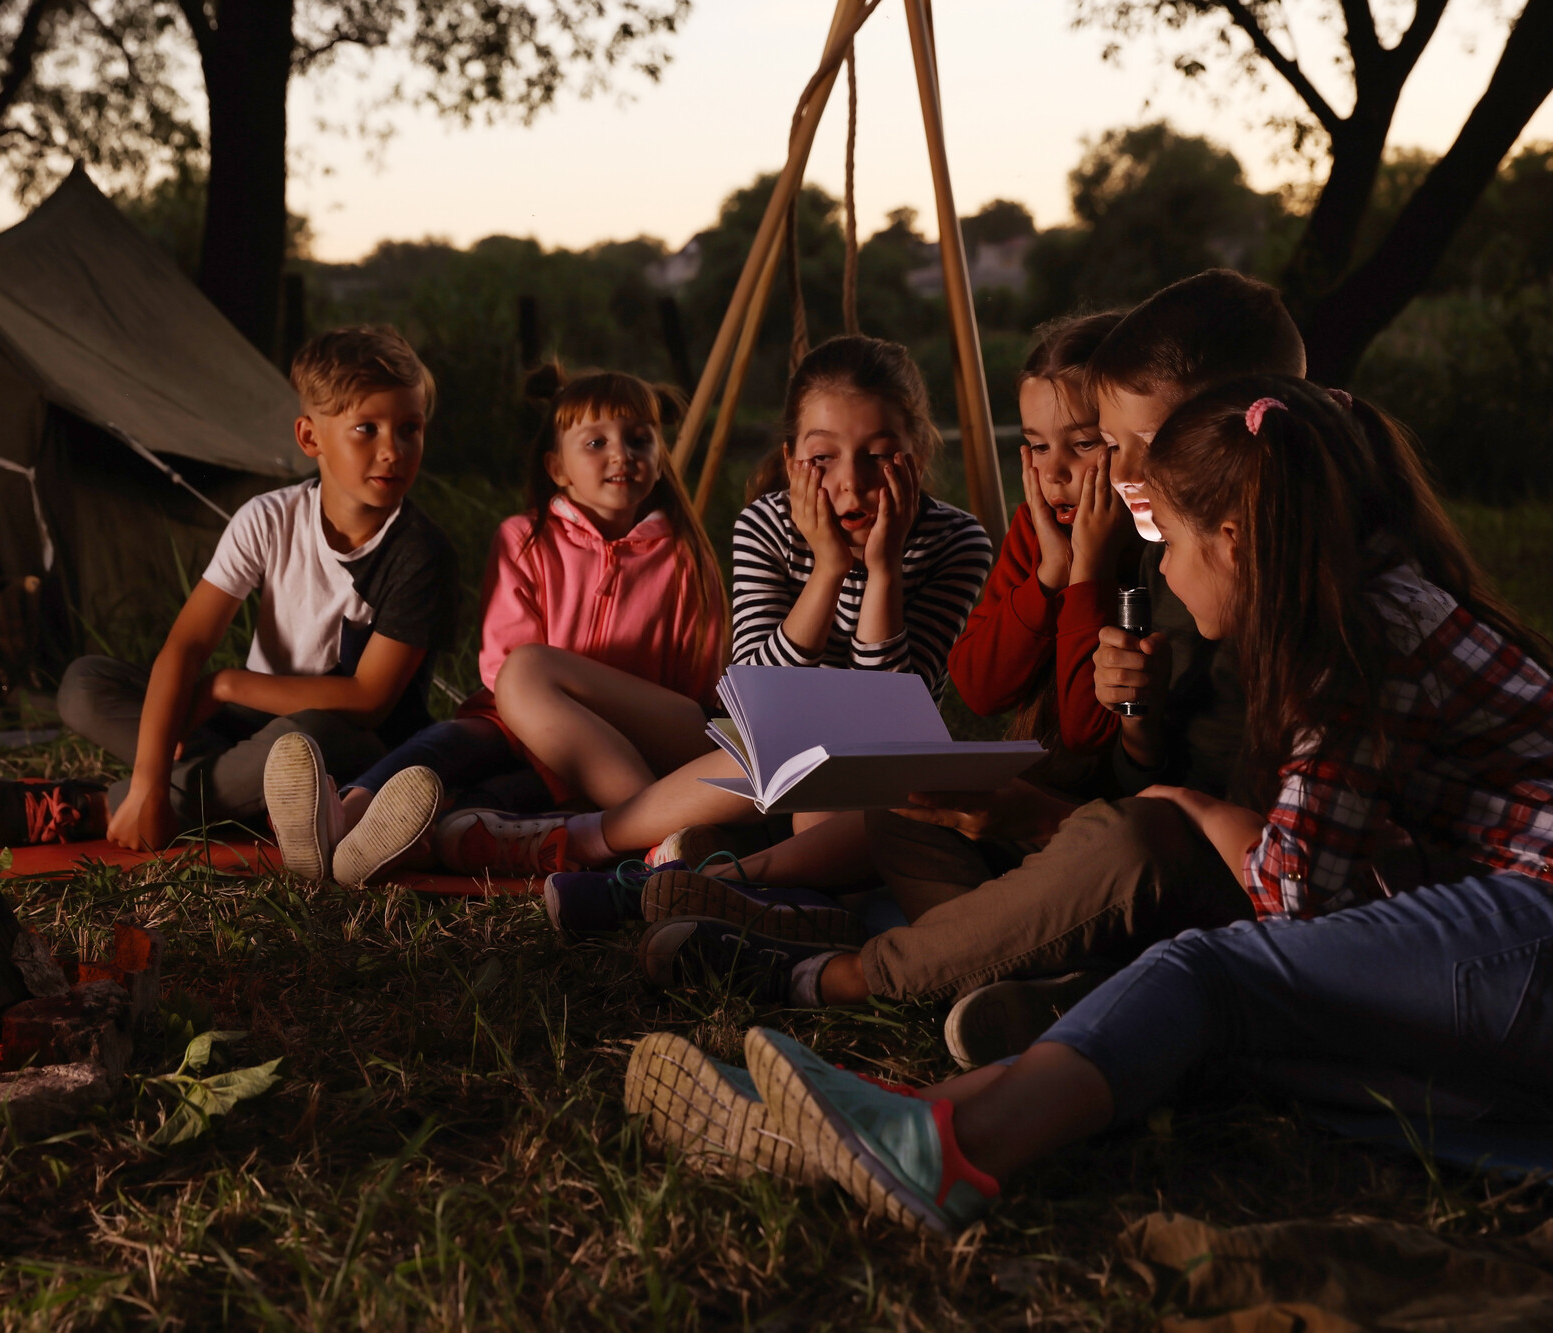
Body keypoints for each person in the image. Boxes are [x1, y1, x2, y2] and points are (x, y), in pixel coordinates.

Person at [625, 378, 1553, 1235]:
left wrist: (1187, 805)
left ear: (1232, 539)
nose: (1170, 571)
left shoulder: (1358, 639)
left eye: (1174, 544)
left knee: (1212, 976)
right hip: (1498, 928)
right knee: (1231, 1025)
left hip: (1531, 927)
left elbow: (1298, 899)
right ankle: (892, 1116)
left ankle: (941, 1142)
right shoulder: (1354, 603)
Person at [629, 272, 1308, 1071]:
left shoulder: (1195, 558)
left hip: (1166, 853)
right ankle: (1026, 975)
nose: (1077, 472)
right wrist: (1062, 601)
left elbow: (1165, 806)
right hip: (1095, 821)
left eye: (1100, 445)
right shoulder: (1151, 547)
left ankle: (839, 967)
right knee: (904, 798)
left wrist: (1083, 585)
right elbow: (983, 688)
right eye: (1042, 446)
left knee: (1116, 837)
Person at [436, 335, 993, 885]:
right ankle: (653, 843)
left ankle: (667, 866)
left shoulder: (957, 541)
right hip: (753, 748)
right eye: (822, 457)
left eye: (877, 455)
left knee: (825, 798)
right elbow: (753, 695)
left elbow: (890, 711)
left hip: (867, 769)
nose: (851, 480)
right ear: (791, 460)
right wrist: (827, 571)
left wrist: (885, 571)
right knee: (528, 667)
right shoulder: (765, 525)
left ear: (914, 456)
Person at [0, 327, 456, 860]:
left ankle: (98, 808)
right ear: (310, 438)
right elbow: (186, 646)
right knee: (85, 686)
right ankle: (236, 798)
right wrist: (150, 779)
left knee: (301, 744)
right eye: (367, 428)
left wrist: (225, 685)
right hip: (245, 729)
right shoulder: (269, 518)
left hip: (353, 745)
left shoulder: (420, 552)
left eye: (410, 429)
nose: (393, 450)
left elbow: (368, 701)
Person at [261, 364, 728, 887]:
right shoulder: (525, 538)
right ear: (557, 467)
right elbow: (500, 665)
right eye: (596, 442)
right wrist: (557, 750)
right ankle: (345, 818)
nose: (622, 454)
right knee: (448, 746)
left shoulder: (684, 556)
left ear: (660, 461)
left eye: (639, 440)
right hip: (518, 719)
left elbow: (699, 680)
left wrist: (581, 752)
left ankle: (647, 832)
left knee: (502, 774)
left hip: (634, 741)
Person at [947, 310, 1135, 796]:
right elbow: (978, 689)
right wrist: (1051, 574)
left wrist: (1086, 574)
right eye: (1037, 446)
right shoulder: (1039, 528)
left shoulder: (1158, 543)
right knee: (895, 814)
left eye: (1084, 443)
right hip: (1041, 781)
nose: (1054, 473)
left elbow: (1086, 733)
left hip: (1119, 800)